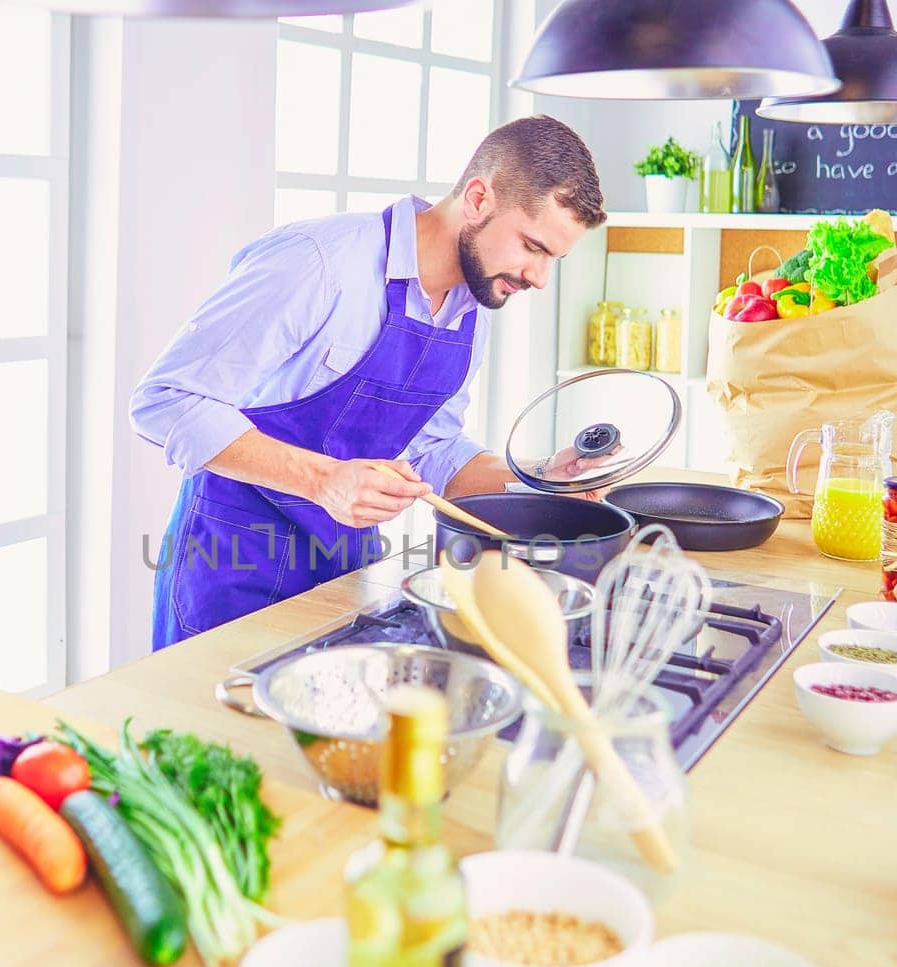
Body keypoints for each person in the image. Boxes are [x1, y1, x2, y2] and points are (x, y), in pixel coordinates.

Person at [132, 115, 607, 650]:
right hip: (232, 568)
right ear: (478, 198)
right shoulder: (319, 262)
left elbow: (433, 450)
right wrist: (323, 481)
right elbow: (165, 399)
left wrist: (540, 478)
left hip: (342, 577)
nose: (539, 278)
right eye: (533, 247)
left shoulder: (473, 308)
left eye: (554, 260)